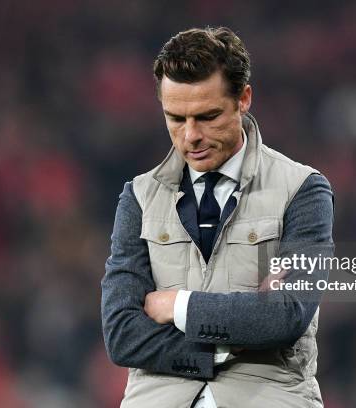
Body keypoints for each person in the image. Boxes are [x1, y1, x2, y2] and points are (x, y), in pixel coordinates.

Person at [101, 27, 334, 408]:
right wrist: (226, 344)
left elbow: (287, 315)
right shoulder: (138, 197)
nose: (190, 135)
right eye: (175, 118)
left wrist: (177, 305)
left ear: (244, 99)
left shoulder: (303, 191)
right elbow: (122, 334)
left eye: (207, 116)